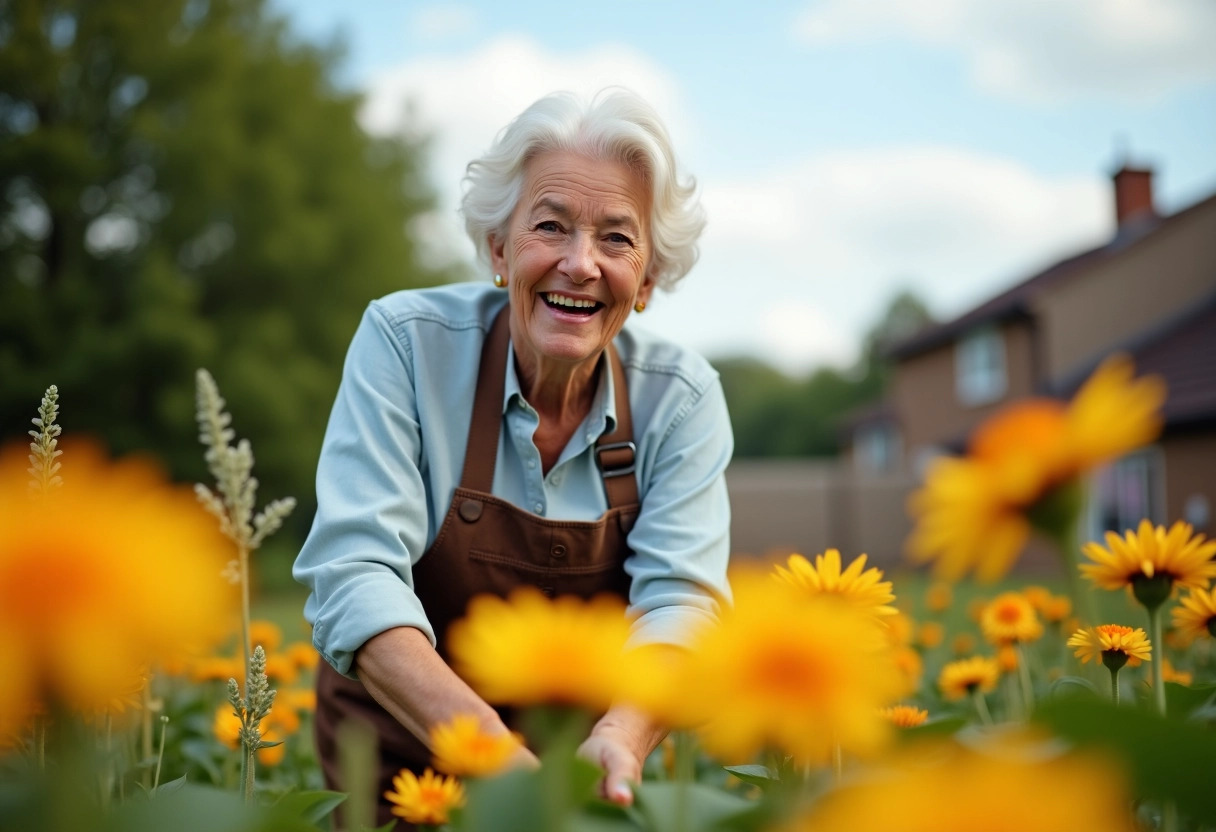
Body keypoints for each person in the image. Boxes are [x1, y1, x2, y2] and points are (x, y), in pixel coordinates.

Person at [294, 88, 732, 827]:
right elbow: (354, 574)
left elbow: (681, 606)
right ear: (500, 249)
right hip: (405, 779)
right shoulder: (405, 344)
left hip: (583, 782)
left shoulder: (681, 399)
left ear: (649, 280)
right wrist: (489, 753)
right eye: (550, 226)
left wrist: (624, 735)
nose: (580, 264)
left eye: (617, 240)